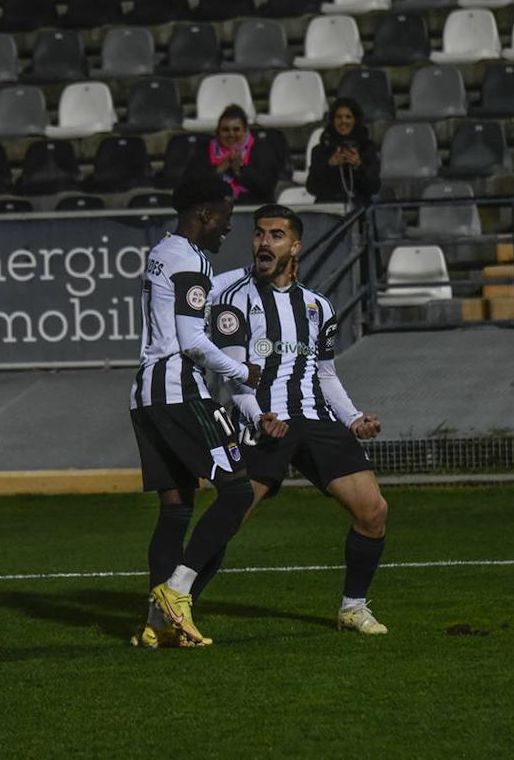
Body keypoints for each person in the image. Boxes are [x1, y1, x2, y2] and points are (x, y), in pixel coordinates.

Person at [200, 203, 391, 634]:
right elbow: (233, 379)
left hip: (316, 419)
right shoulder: (234, 300)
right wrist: (257, 415)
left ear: (296, 246)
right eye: (260, 234)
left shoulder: (319, 307)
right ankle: (180, 603)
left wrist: (354, 418)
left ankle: (353, 607)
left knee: (373, 510)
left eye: (276, 235)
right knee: (228, 519)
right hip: (265, 420)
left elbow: (325, 375)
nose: (264, 242)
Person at [129, 175, 264, 648]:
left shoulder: (165, 252)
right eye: (225, 217)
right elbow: (193, 343)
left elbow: (197, 294)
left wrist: (250, 272)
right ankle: (178, 591)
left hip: (145, 395)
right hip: (178, 389)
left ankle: (157, 625)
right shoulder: (189, 260)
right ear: (205, 213)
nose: (228, 226)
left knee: (175, 508)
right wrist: (243, 371)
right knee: (237, 493)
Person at [185, 104, 280, 205]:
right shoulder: (204, 150)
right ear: (218, 132)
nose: (231, 134)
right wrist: (219, 170)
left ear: (245, 130)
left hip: (250, 210)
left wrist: (241, 169)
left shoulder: (261, 150)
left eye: (236, 129)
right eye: (225, 130)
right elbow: (190, 187)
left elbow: (266, 189)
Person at [305, 98, 380, 205]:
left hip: (358, 209)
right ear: (333, 120)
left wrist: (359, 166)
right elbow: (312, 188)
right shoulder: (320, 151)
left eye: (348, 117)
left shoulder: (367, 148)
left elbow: (374, 187)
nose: (343, 121)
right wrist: (329, 164)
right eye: (338, 117)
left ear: (355, 120)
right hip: (328, 207)